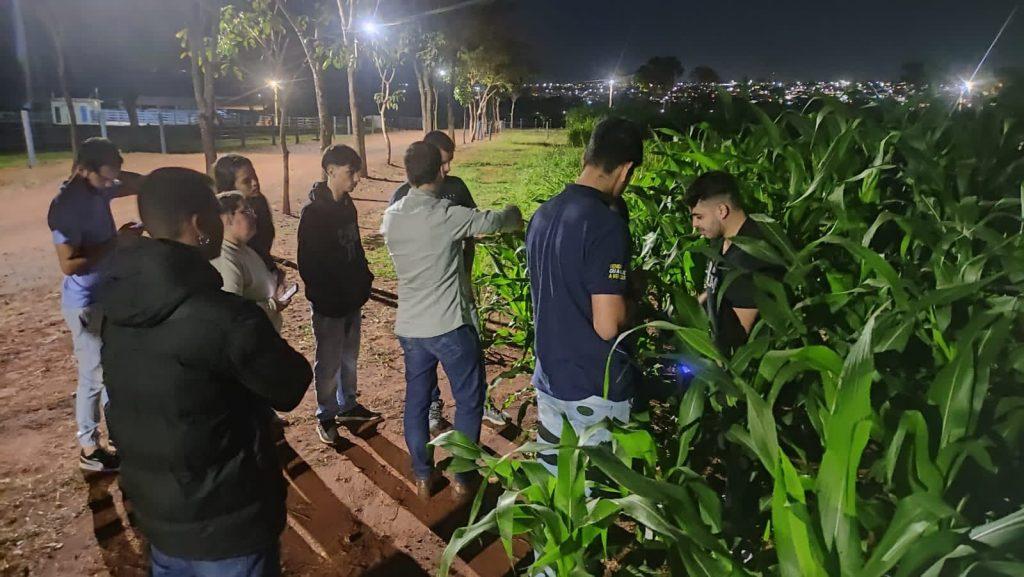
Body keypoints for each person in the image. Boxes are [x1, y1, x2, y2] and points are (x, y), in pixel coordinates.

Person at [98, 167, 312, 577]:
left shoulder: (118, 309)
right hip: (228, 525)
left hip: (159, 519)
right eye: (216, 212)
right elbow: (291, 384)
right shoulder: (225, 318)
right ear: (199, 224)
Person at [382, 142, 523, 498]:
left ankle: (422, 476)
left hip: (411, 329)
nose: (448, 170)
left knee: (416, 401)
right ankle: (462, 476)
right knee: (469, 399)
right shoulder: (447, 214)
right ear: (437, 171)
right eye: (444, 166)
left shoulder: (392, 216)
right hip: (450, 326)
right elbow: (493, 221)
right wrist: (513, 211)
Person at [526, 117, 643, 475]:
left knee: (558, 489)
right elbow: (608, 325)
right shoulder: (606, 225)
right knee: (595, 497)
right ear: (626, 170)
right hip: (594, 385)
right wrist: (637, 304)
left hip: (550, 377)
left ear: (585, 157)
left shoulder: (543, 213)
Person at [389, 130, 506, 433]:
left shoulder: (455, 187)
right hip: (429, 298)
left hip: (459, 283)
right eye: (443, 162)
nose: (448, 169)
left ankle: (481, 404)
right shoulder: (403, 196)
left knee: (470, 353)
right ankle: (436, 407)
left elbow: (475, 220)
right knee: (431, 372)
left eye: (450, 162)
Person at [47, 137, 142, 472]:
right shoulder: (65, 207)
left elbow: (131, 182)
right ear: (84, 169)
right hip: (85, 303)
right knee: (93, 376)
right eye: (106, 177)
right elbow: (69, 263)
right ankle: (89, 447)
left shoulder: (97, 187)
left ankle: (118, 435)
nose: (111, 184)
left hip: (107, 295)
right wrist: (118, 242)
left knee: (112, 370)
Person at [298, 144, 382, 446]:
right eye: (350, 172)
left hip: (351, 299)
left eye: (356, 171)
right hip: (329, 305)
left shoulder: (348, 206)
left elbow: (356, 248)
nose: (355, 178)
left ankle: (348, 406)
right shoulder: (313, 214)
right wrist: (326, 297)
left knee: (349, 358)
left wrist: (363, 280)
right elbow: (308, 264)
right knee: (328, 362)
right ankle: (325, 415)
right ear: (330, 171)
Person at [687, 170, 773, 354]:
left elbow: (740, 336)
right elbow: (716, 289)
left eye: (699, 216)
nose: (694, 225)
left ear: (722, 210)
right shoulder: (721, 241)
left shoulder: (750, 256)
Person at [211, 192, 292, 332]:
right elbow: (233, 313)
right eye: (246, 211)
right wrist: (273, 305)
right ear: (225, 219)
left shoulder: (243, 249)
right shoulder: (226, 259)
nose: (254, 216)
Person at [214, 154, 276, 272]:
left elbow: (264, 245)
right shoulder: (220, 216)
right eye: (246, 181)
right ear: (230, 186)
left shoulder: (260, 202)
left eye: (255, 176)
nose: (255, 183)